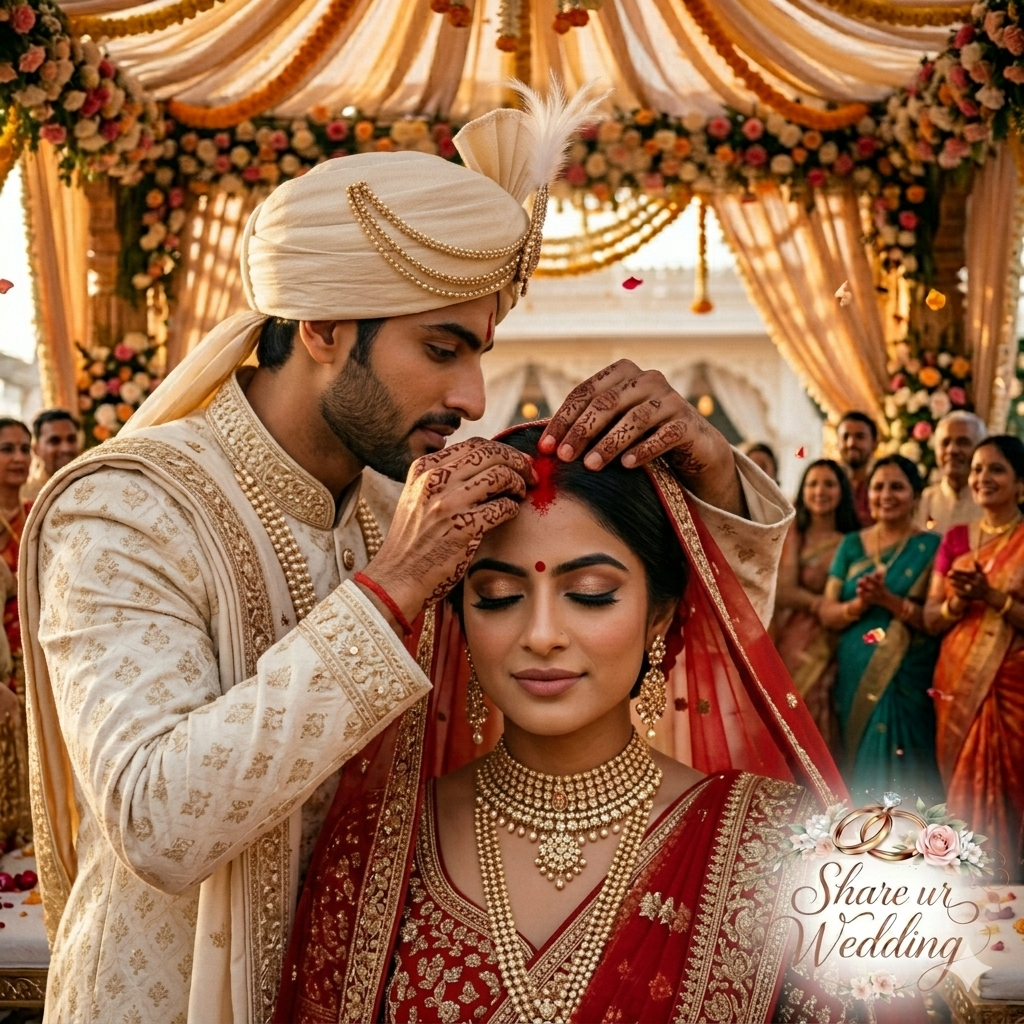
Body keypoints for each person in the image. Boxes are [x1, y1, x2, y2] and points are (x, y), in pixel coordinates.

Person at [21, 85, 795, 1023]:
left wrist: (711, 472)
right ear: (321, 327)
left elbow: (654, 632)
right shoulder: (126, 510)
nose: (473, 395)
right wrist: (391, 588)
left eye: (478, 352)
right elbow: (156, 823)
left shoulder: (401, 498)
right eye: (442, 347)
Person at [273, 424, 849, 1024]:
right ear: (459, 620)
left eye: (592, 593)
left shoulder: (773, 844)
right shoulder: (374, 849)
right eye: (497, 595)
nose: (542, 635)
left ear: (660, 615)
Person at [924, 435, 1024, 878]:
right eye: (979, 469)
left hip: (1012, 687)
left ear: (1020, 483)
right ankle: (967, 896)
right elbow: (931, 618)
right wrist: (956, 605)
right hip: (958, 678)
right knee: (963, 788)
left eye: (996, 469)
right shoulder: (957, 539)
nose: (983, 477)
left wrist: (993, 596)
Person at [819, 455, 942, 801]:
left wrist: (888, 600)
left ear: (915, 495)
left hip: (909, 675)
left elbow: (935, 621)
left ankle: (914, 846)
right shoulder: (851, 544)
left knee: (911, 769)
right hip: (856, 669)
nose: (886, 495)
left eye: (897, 487)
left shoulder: (932, 547)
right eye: (878, 487)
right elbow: (828, 612)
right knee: (861, 765)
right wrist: (859, 605)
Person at [774, 459, 859, 751]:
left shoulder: (852, 542)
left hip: (839, 642)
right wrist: (819, 605)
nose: (820, 491)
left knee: (828, 714)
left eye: (829, 484)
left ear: (842, 492)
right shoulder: (793, 535)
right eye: (812, 484)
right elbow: (784, 592)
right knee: (793, 711)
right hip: (793, 641)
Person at [0, 419, 31, 841]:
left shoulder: (39, 514)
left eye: (25, 448)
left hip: (39, 660)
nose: (19, 458)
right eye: (8, 449)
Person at [914, 410, 986, 534]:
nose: (952, 450)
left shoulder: (989, 500)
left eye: (963, 442)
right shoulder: (923, 500)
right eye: (945, 443)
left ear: (980, 450)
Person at [21, 408, 82, 503]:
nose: (66, 448)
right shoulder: (25, 497)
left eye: (71, 439)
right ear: (36, 450)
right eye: (54, 441)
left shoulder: (92, 484)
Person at [837, 411, 878, 527]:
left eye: (860, 436)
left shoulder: (882, 487)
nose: (851, 443)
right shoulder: (828, 487)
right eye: (845, 437)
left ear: (875, 443)